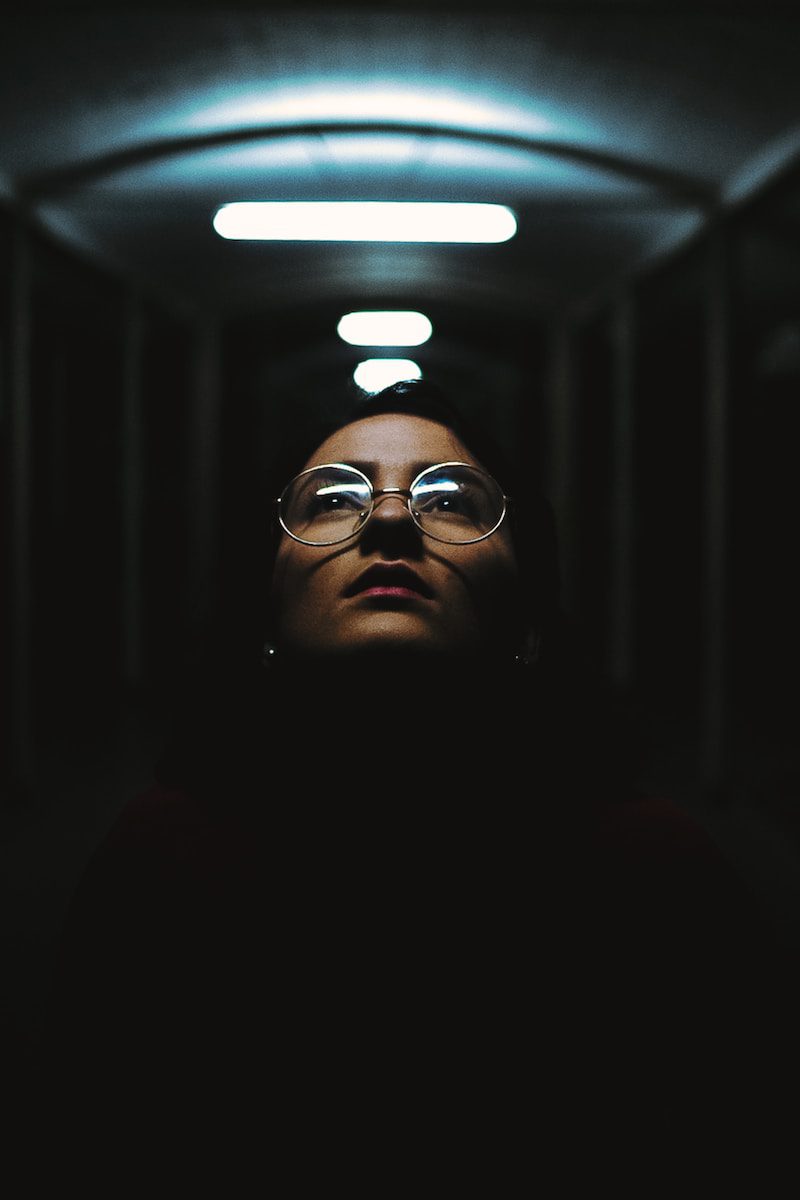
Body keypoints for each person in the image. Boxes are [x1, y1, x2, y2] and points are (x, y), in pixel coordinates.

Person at [35, 379, 797, 1178]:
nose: (393, 518)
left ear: (526, 619)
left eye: (451, 501)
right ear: (264, 605)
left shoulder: (657, 873)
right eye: (334, 497)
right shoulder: (157, 863)